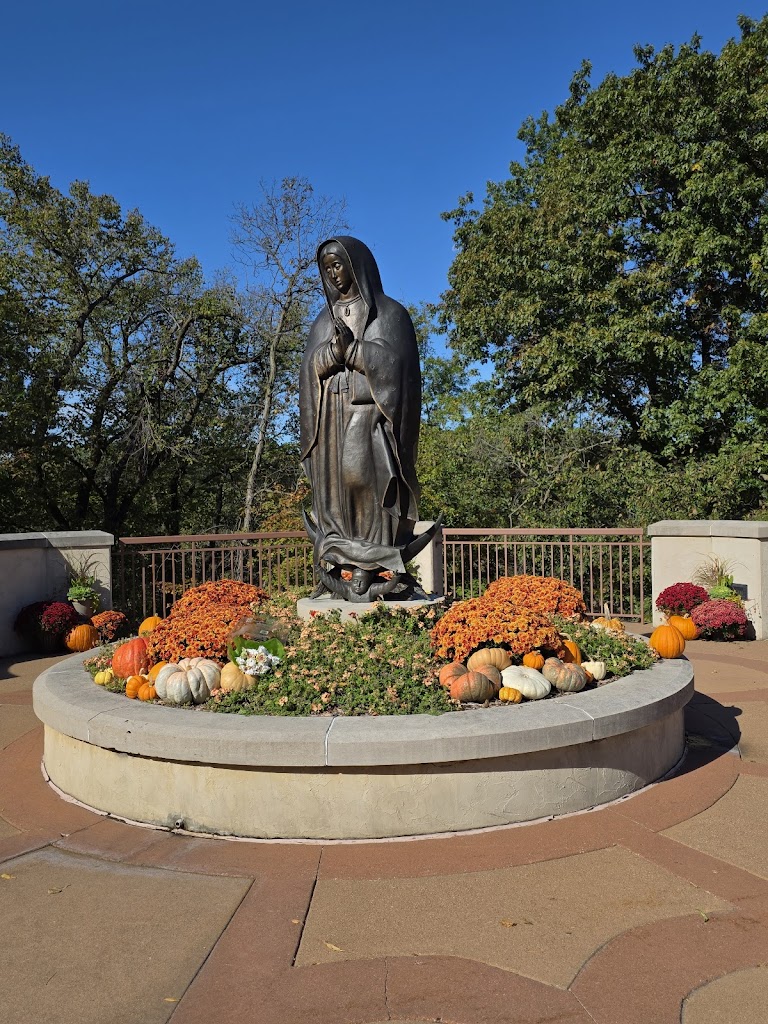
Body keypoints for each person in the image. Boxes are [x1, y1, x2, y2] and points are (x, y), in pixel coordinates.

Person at [299, 236, 422, 581]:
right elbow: (309, 368)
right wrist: (330, 355)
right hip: (330, 420)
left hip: (369, 417)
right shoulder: (324, 319)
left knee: (364, 481)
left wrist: (354, 351)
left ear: (356, 264)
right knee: (337, 487)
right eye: (327, 269)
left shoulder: (390, 313)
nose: (334, 275)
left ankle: (375, 559)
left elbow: (398, 369)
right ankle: (341, 558)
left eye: (338, 264)